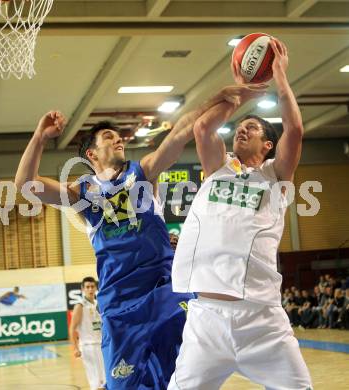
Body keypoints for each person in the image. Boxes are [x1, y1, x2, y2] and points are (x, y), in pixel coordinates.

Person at [15, 82, 266, 389]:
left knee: (184, 379)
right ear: (91, 153)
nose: (118, 140)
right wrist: (39, 138)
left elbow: (183, 129)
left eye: (119, 136)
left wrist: (225, 97)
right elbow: (26, 184)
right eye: (109, 137)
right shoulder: (81, 192)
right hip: (120, 305)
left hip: (165, 293)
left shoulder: (144, 172)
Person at [168, 38, 313, 389]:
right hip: (206, 318)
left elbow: (294, 131)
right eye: (240, 126)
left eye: (253, 128)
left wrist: (279, 77)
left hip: (261, 319)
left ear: (268, 146)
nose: (242, 129)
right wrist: (242, 93)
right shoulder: (218, 169)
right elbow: (203, 128)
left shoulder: (275, 177)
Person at [69, 277, 105, 390]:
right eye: (87, 287)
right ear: (82, 289)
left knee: (105, 379)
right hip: (88, 347)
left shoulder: (98, 304)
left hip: (101, 345)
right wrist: (75, 348)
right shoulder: (80, 306)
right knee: (95, 381)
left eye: (92, 286)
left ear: (96, 288)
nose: (90, 289)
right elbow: (72, 328)